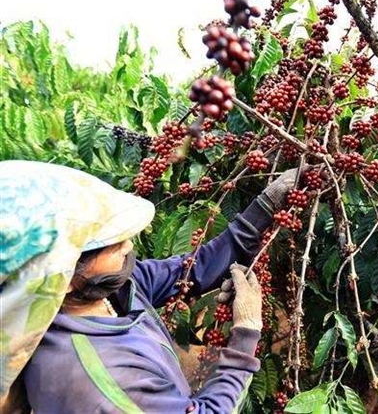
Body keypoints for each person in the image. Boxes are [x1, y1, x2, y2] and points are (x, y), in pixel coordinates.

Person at [0, 159, 298, 413]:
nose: (128, 246)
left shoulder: (108, 290)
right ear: (59, 277)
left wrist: (265, 206)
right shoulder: (96, 377)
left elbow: (193, 269)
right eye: (110, 244)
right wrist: (246, 331)